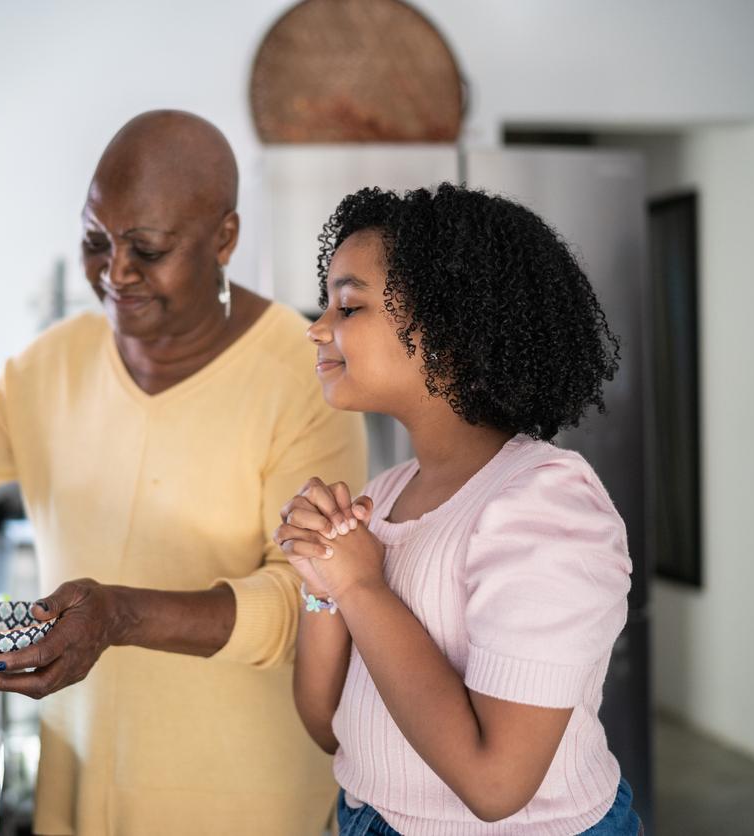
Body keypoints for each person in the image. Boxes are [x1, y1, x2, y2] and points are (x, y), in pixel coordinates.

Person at [0, 110, 367, 835]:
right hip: (80, 785)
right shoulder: (54, 361)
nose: (114, 273)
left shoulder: (304, 378)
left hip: (242, 801)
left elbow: (305, 601)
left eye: (146, 248)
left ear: (225, 239)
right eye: (95, 241)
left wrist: (120, 616)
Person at [274, 184, 642, 835]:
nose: (318, 327)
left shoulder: (546, 502)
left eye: (349, 305)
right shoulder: (384, 495)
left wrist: (359, 583)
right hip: (368, 817)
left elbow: (495, 784)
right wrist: (323, 587)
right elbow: (329, 727)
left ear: (447, 324)